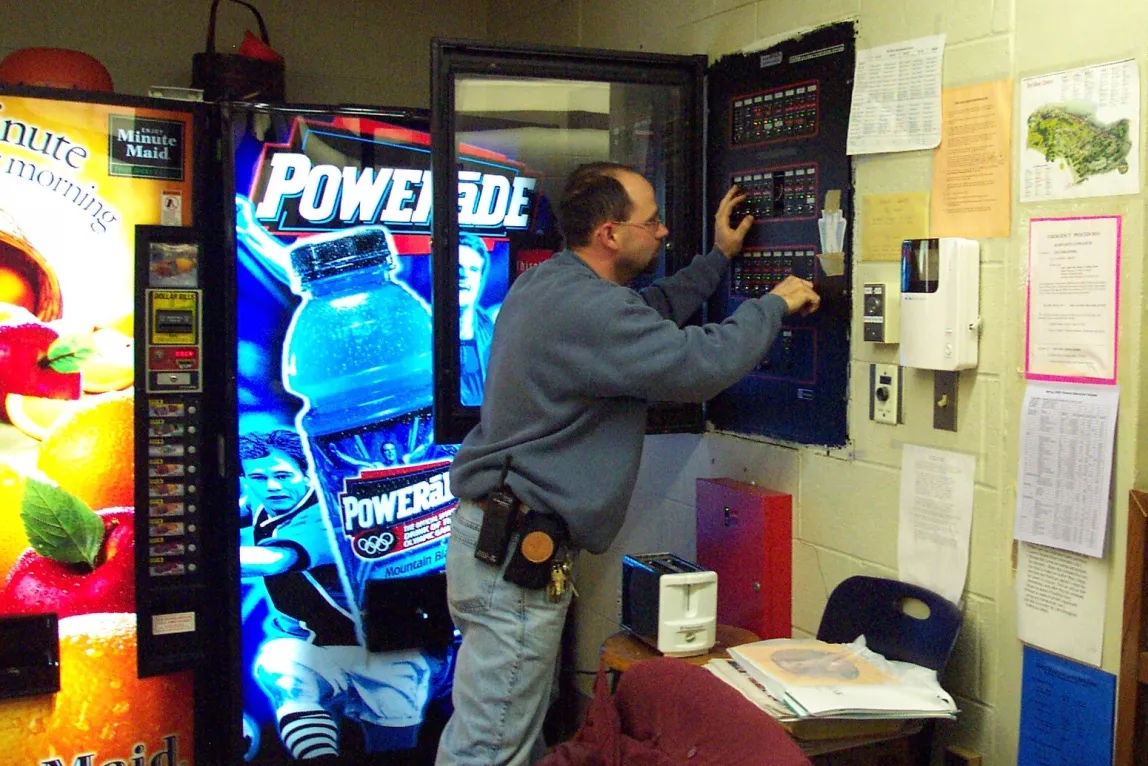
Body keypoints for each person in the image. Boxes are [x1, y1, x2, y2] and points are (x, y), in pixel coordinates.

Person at [436, 161, 820, 765]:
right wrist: (772, 304)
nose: (664, 231)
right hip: (516, 559)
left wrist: (719, 258)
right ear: (611, 234)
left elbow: (653, 311)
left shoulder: (555, 284)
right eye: (653, 221)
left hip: (500, 547)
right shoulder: (589, 310)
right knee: (488, 749)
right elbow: (700, 363)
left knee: (506, 735)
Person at [239, 429, 435, 760]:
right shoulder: (264, 505)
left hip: (381, 657)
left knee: (392, 748)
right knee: (279, 661)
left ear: (307, 473)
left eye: (283, 475)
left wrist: (193, 554)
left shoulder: (322, 516)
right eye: (259, 477)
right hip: (324, 652)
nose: (272, 486)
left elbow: (274, 561)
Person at [458, 232, 497, 406]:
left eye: (472, 269)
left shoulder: (496, 335)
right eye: (457, 267)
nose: (463, 276)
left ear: (480, 279)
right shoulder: (420, 335)